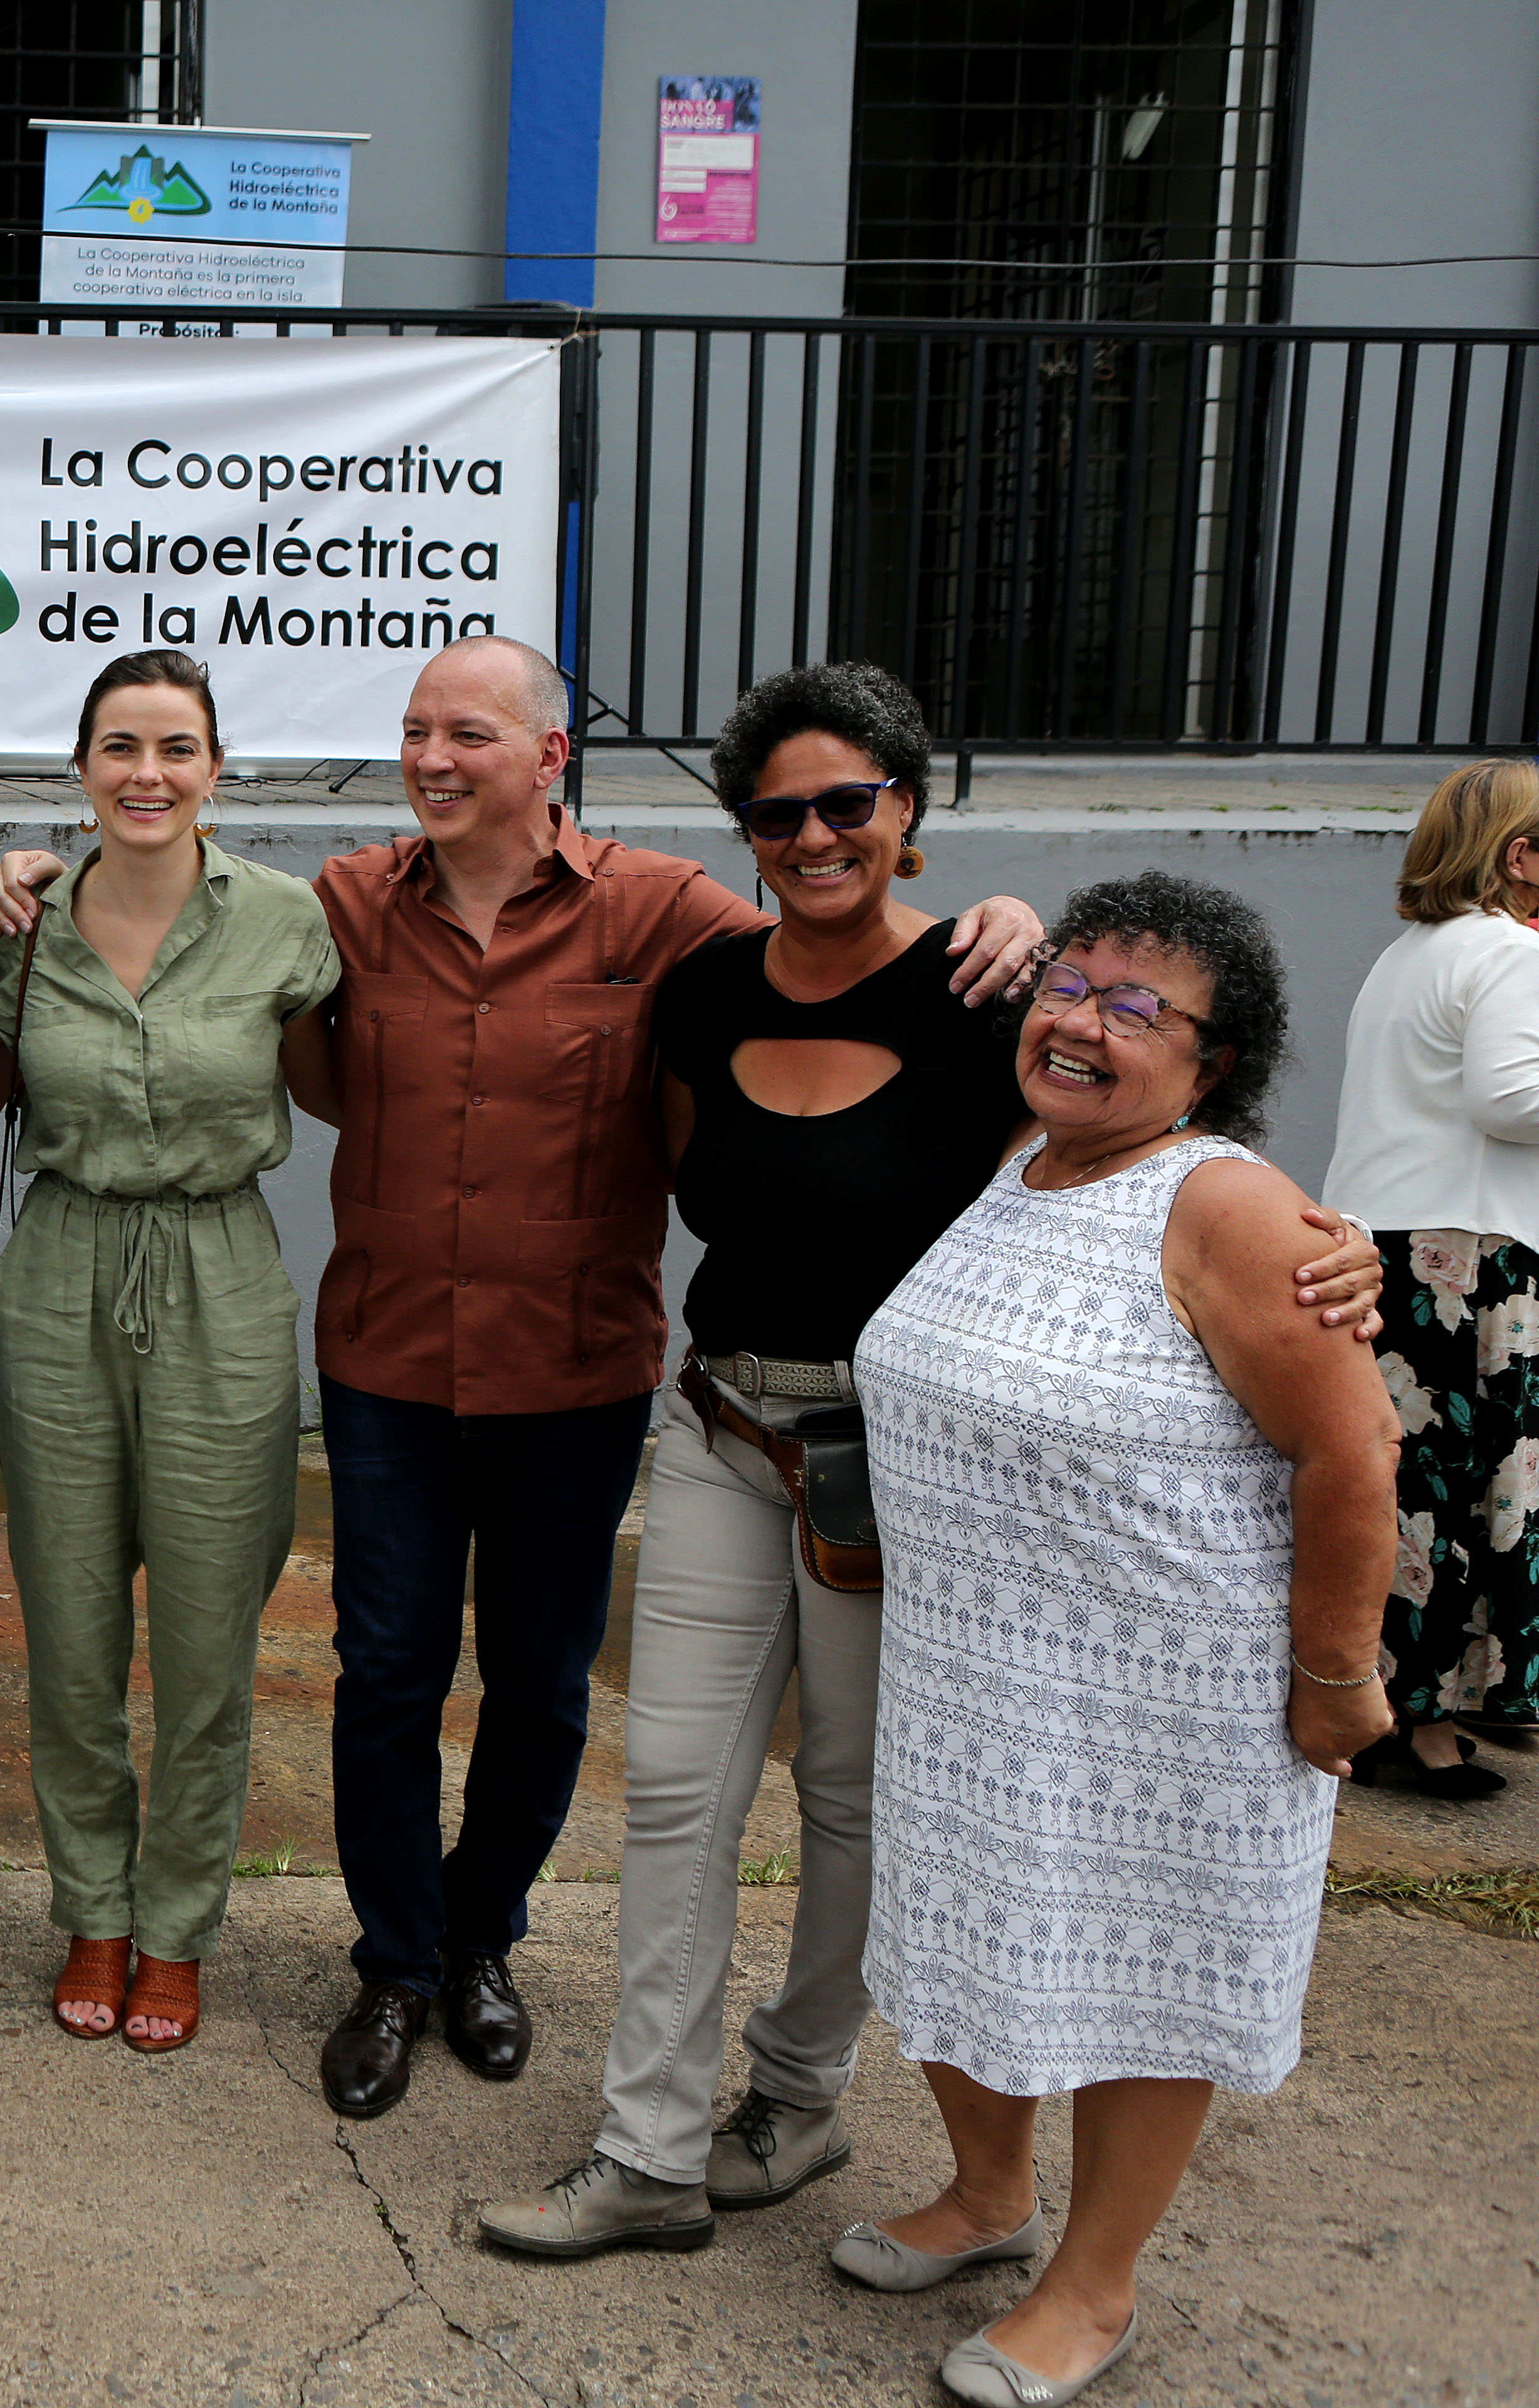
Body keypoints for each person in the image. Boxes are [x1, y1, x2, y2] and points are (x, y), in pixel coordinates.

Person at [0, 635, 1043, 2118]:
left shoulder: (665, 912)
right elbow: (180, 904)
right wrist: (29, 868)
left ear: (547, 756)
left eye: (466, 733)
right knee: (383, 1676)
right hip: (385, 1358)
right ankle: (393, 1959)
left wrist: (993, 920)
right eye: (413, 730)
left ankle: (481, 1936)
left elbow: (828, 934)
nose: (429, 756)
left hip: (570, 1365)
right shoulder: (347, 904)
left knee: (538, 1684)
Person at [476, 665, 1384, 2259]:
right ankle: (645, 2145)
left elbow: (1139, 1145)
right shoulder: (707, 988)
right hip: (718, 1428)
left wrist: (1333, 1246)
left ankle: (800, 2098)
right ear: (742, 833)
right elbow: (700, 1177)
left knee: (852, 1801)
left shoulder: (994, 992)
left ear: (906, 814)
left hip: (899, 1462)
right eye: (776, 810)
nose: (814, 833)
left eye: (849, 802)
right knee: (676, 1791)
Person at [850, 872, 1396, 2406]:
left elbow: (1348, 1450)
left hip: (1169, 1699)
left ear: (1211, 1063)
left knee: (1133, 1969)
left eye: (1132, 1005)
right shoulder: (1022, 1158)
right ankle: (980, 2196)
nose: (1079, 1021)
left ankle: (1089, 2289)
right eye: (1066, 988)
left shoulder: (1216, 1201)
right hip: (982, 1679)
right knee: (978, 1934)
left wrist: (1334, 1673)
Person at [0, 649, 339, 2055]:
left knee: (206, 1632)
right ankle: (95, 1909)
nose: (147, 775)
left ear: (216, 767)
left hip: (219, 1267)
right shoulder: (19, 923)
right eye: (120, 748)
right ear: (81, 769)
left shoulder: (286, 921)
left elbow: (345, 1092)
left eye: (175, 749)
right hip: (63, 1267)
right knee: (68, 1626)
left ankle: (179, 1923)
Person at [1323, 757, 1539, 1800]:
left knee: (1406, 1489)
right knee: (1458, 1498)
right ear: (1519, 856)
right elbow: (1509, 1099)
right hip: (1471, 1258)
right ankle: (1422, 1729)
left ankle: (1398, 1705)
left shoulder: (1409, 952)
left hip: (1397, 1243)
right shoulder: (1507, 952)